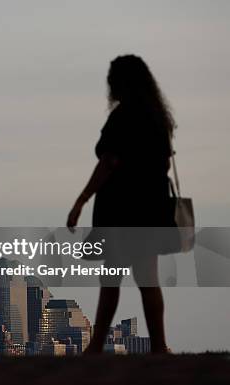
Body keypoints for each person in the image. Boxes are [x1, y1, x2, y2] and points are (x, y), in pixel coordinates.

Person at [67, 54, 174, 354]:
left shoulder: (123, 117)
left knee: (110, 277)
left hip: (122, 209)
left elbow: (108, 162)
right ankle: (160, 346)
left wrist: (81, 200)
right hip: (151, 209)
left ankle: (97, 346)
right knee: (148, 279)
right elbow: (164, 162)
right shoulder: (158, 118)